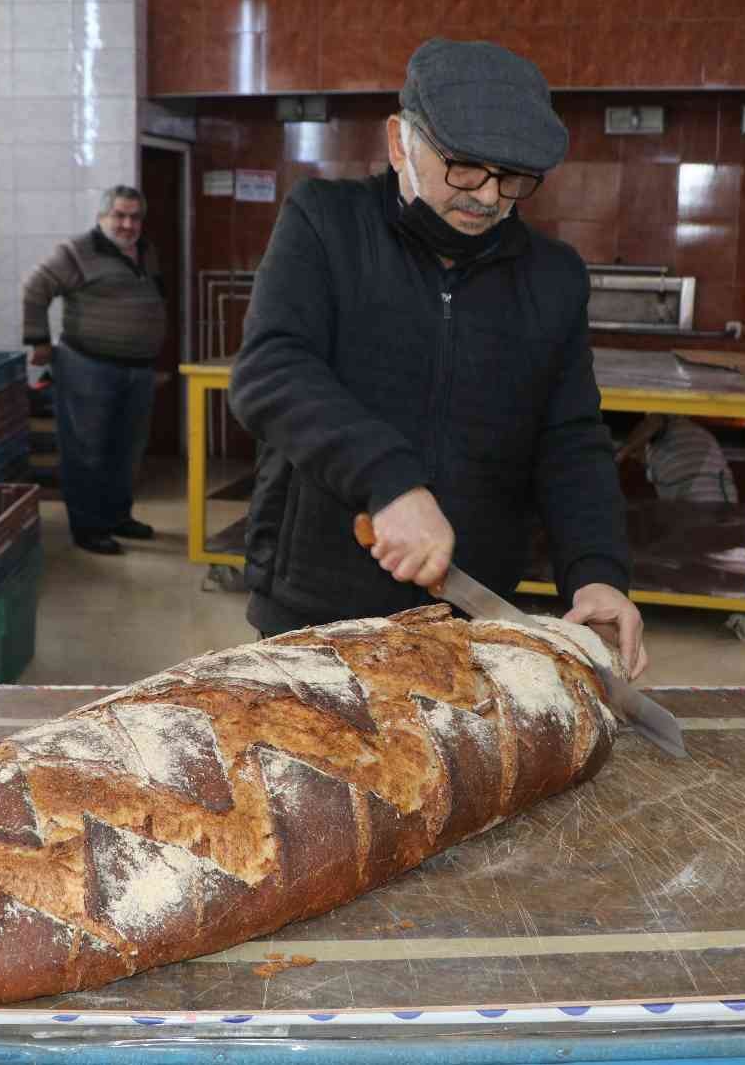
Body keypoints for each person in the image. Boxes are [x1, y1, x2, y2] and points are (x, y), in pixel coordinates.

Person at [229, 38, 647, 677]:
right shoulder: (324, 224)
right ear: (400, 142)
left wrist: (597, 571)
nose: (489, 197)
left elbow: (570, 439)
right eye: (465, 168)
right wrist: (388, 481)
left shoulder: (553, 277)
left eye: (513, 178)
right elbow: (271, 370)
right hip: (313, 605)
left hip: (470, 618)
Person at [22, 186, 165, 555]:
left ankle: (117, 517)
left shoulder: (146, 251)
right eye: (120, 215)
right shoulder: (77, 251)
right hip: (87, 366)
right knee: (87, 451)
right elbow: (35, 288)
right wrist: (39, 341)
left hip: (138, 369)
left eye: (135, 217)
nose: (128, 224)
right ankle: (87, 528)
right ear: (102, 217)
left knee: (127, 450)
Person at [615, 414, 740, 504]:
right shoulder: (659, 456)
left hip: (710, 503)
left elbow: (654, 421)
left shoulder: (674, 424)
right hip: (711, 508)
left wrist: (619, 455)